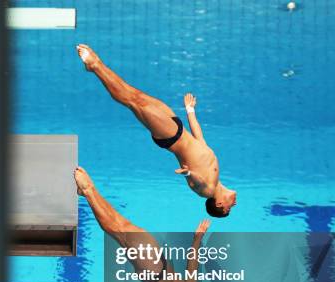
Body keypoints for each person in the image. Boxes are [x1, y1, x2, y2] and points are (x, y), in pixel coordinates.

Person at [76, 44, 236, 217]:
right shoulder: (216, 175)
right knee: (134, 95)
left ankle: (95, 66)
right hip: (177, 126)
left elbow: (196, 182)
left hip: (171, 136)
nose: (234, 203)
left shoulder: (208, 190)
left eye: (230, 207)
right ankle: (95, 67)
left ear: (220, 204)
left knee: (131, 101)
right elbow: (200, 139)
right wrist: (190, 111)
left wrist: (188, 173)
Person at [74, 166, 223, 282]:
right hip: (159, 266)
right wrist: (197, 238)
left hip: (154, 271)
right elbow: (191, 271)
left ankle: (88, 190)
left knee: (120, 231)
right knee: (122, 227)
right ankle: (87, 192)